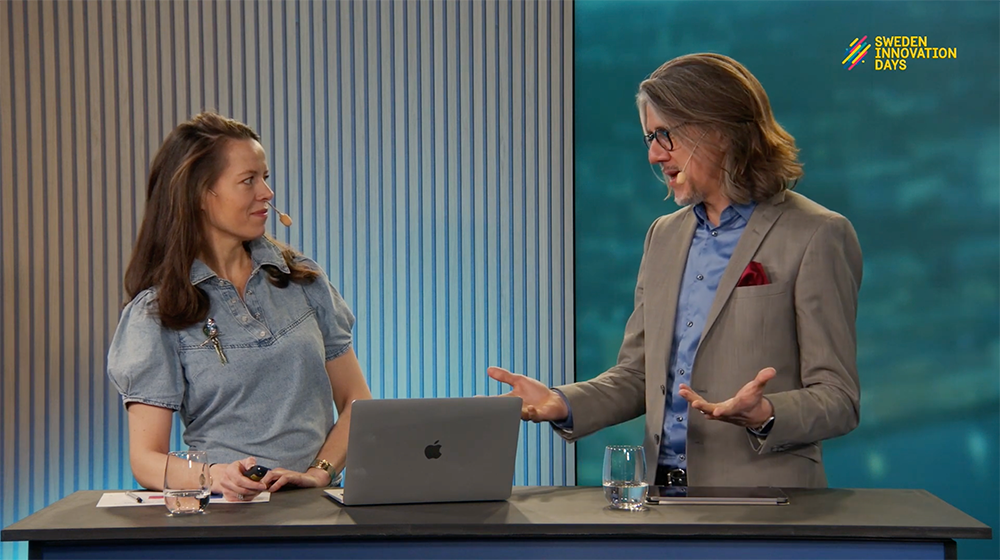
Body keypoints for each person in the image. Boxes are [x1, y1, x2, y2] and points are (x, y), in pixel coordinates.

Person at [489, 53, 862, 488]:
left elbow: (839, 398)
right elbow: (637, 376)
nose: (653, 155)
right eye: (649, 137)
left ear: (718, 130)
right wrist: (559, 402)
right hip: (664, 501)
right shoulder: (662, 236)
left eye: (664, 135)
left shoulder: (818, 234)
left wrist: (767, 413)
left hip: (768, 508)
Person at [107, 112, 372, 501]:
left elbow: (356, 403)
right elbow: (146, 459)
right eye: (249, 180)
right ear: (199, 194)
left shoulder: (304, 281)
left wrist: (319, 473)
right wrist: (213, 476)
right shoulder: (158, 312)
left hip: (315, 513)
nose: (267, 192)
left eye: (264, 177)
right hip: (223, 517)